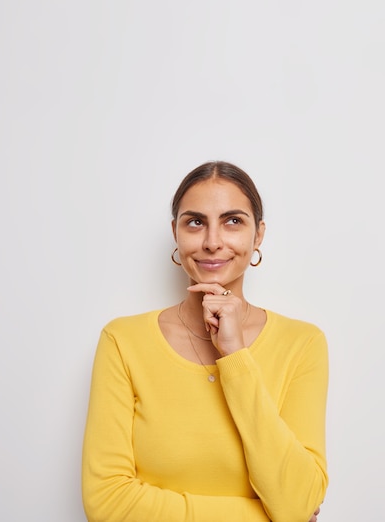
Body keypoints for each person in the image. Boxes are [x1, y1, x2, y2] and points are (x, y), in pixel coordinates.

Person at [82, 160, 329, 522]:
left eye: (233, 221)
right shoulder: (123, 341)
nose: (213, 242)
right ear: (176, 232)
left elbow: (298, 499)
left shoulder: (303, 344)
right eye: (195, 222)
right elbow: (106, 504)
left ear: (257, 235)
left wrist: (235, 356)